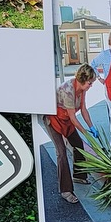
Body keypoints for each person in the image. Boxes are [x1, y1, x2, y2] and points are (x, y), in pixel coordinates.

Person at [44, 65, 97, 204]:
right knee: (61, 153)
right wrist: (86, 133)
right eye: (90, 83)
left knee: (78, 145)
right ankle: (65, 190)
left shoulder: (82, 89)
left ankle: (79, 175)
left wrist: (92, 127)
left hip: (66, 120)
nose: (91, 86)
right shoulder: (68, 90)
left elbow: (84, 109)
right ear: (82, 79)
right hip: (54, 119)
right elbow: (74, 118)